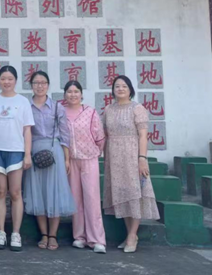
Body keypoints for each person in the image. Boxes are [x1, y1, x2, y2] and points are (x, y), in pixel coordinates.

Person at [102, 75, 160, 253]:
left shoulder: (137, 108)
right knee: (123, 195)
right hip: (114, 157)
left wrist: (142, 158)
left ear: (130, 90)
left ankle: (133, 235)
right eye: (117, 86)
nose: (120, 89)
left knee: (135, 194)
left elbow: (143, 136)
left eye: (124, 86)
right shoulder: (108, 109)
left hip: (132, 156)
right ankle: (130, 235)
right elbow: (103, 134)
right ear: (113, 90)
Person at [23, 71, 76, 251]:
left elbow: (65, 135)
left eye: (43, 82)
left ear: (48, 85)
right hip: (34, 150)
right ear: (31, 85)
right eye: (36, 83)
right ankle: (43, 234)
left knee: (55, 193)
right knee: (37, 193)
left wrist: (67, 158)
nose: (40, 86)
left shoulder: (56, 107)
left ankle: (53, 235)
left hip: (55, 152)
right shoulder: (26, 106)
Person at [0, 65, 34, 252]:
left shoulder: (23, 102)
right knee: (0, 191)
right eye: (3, 78)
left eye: (10, 79)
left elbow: (27, 130)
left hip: (16, 151)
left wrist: (27, 154)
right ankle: (1, 232)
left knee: (15, 192)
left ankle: (15, 233)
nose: (6, 82)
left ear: (16, 81)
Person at [63, 80, 107, 254]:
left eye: (76, 91)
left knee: (92, 198)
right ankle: (79, 237)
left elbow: (100, 137)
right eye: (69, 91)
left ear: (81, 94)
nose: (73, 94)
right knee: (75, 199)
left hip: (89, 158)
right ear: (65, 94)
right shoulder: (61, 112)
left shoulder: (90, 112)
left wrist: (95, 152)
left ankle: (97, 239)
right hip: (70, 160)